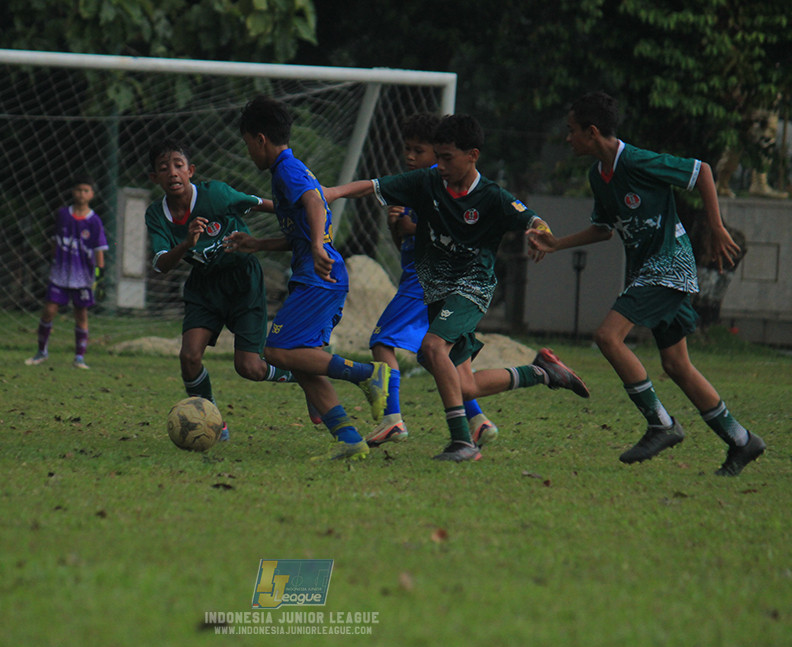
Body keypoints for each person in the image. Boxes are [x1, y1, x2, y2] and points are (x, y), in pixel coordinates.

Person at [325, 114, 590, 463]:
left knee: (432, 347)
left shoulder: (493, 196)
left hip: (472, 287)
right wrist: (328, 193)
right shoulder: (427, 181)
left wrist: (541, 233)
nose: (440, 163)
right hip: (436, 290)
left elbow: (532, 218)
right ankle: (542, 371)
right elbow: (372, 185)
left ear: (473, 155)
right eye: (437, 155)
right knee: (464, 384)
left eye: (447, 157)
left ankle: (461, 441)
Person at [527, 91, 766, 476]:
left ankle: (661, 423)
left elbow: (701, 171)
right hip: (648, 273)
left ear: (592, 132)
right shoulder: (597, 175)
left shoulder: (636, 160)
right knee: (676, 364)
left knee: (608, 337)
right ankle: (741, 440)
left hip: (670, 266)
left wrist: (717, 227)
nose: (567, 139)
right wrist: (557, 244)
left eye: (571, 132)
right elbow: (604, 229)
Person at [224, 95, 391, 462]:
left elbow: (316, 202)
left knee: (276, 351)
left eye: (247, 144)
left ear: (260, 139)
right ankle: (349, 438)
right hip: (317, 273)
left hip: (320, 275)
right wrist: (258, 243)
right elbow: (300, 228)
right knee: (303, 362)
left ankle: (367, 373)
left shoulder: (287, 169)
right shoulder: (286, 169)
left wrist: (317, 245)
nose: (249, 152)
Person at [144, 136, 297, 442]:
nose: (172, 172)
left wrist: (297, 215)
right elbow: (161, 263)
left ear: (191, 170)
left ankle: (300, 373)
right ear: (155, 177)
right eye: (164, 167)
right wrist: (187, 243)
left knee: (249, 367)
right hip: (205, 285)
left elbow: (258, 203)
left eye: (178, 165)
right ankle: (211, 418)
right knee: (189, 356)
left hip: (243, 280)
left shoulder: (216, 194)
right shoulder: (156, 214)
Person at [366, 112, 499, 449]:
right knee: (436, 357)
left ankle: (392, 420)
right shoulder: (410, 188)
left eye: (419, 151)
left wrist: (410, 225)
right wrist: (395, 225)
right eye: (407, 149)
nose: (411, 157)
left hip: (425, 281)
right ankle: (477, 420)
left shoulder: (437, 185)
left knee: (382, 343)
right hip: (418, 276)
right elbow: (404, 245)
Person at [26, 176, 108, 370]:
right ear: (73, 192)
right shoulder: (63, 215)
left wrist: (99, 278)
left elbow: (99, 252)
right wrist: (54, 261)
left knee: (81, 314)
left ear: (92, 194)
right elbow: (55, 242)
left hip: (83, 277)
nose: (81, 194)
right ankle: (41, 352)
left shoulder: (94, 221)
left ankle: (79, 357)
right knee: (49, 311)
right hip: (60, 274)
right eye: (78, 190)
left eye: (86, 190)